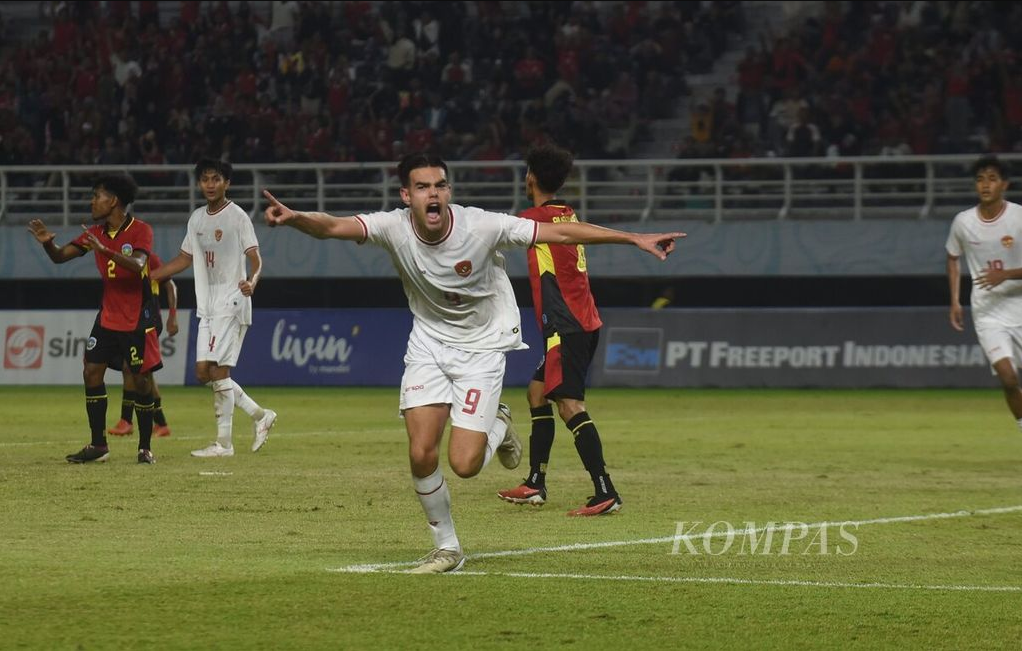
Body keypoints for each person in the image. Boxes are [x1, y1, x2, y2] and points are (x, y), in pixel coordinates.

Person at [263, 152, 684, 573]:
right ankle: (447, 548)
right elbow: (334, 226)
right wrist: (295, 216)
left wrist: (634, 238)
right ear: (406, 195)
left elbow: (560, 233)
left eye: (440, 185)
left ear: (448, 191)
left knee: (463, 465)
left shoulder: (481, 225)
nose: (434, 194)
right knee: (421, 452)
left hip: (482, 349)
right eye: (424, 187)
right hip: (428, 345)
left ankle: (498, 426)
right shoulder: (391, 226)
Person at [496, 144, 623, 516]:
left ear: (530, 178)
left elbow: (492, 232)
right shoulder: (566, 215)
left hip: (569, 327)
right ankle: (535, 483)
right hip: (574, 324)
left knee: (569, 406)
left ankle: (605, 491)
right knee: (538, 394)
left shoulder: (534, 220)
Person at [27, 174, 161, 464]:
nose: (92, 201)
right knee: (90, 371)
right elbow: (61, 257)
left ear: (113, 200)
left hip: (137, 317)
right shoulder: (95, 234)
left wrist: (106, 251)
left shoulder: (141, 229)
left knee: (140, 380)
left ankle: (145, 447)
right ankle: (98, 445)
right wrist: (48, 244)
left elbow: (139, 264)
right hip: (108, 317)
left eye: (96, 195)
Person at [150, 159, 277, 457]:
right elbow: (184, 258)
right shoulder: (196, 219)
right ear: (199, 184)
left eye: (215, 179)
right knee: (203, 373)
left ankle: (224, 444)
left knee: (220, 372)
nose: (209, 184)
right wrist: (152, 276)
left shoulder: (237, 217)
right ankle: (261, 416)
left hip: (232, 299)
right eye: (204, 179)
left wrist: (252, 281)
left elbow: (256, 259)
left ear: (226, 183)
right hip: (206, 303)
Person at [947, 155, 1022, 431]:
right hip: (988, 312)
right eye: (980, 179)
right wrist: (954, 300)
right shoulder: (963, 223)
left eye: (992, 179)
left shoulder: (1019, 217)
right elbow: (952, 257)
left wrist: (1006, 274)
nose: (985, 185)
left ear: (1005, 184)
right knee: (1008, 378)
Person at [108, 253, 178, 438]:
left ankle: (126, 420)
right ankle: (161, 423)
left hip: (148, 315)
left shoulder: (148, 258)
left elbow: (170, 285)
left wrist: (173, 315)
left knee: (129, 368)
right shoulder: (118, 258)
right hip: (130, 316)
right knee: (143, 371)